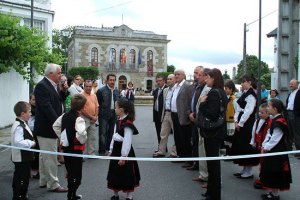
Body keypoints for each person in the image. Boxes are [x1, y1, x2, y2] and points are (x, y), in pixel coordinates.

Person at [34, 63, 68, 192]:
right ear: (51, 74)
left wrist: (64, 91)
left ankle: (43, 180)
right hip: (47, 128)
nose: (61, 75)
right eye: (59, 73)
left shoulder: (54, 85)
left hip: (50, 127)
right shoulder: (42, 86)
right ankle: (53, 184)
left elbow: (60, 100)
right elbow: (47, 107)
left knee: (44, 157)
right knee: (50, 157)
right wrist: (59, 123)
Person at [198, 68, 228, 200]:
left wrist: (202, 104)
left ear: (213, 78)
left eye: (208, 77)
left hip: (213, 132)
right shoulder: (221, 91)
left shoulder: (214, 93)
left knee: (213, 164)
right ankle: (211, 191)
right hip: (217, 131)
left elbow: (212, 113)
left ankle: (214, 194)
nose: (206, 80)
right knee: (212, 163)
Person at [53, 94, 88, 200]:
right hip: (75, 150)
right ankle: (71, 195)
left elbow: (55, 126)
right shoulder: (79, 119)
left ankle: (71, 194)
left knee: (70, 170)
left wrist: (63, 137)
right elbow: (82, 134)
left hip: (67, 148)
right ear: (82, 107)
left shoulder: (64, 115)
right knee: (76, 173)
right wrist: (80, 140)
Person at [107, 99, 140, 200]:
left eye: (116, 107)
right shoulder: (118, 120)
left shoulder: (128, 124)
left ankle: (129, 196)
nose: (115, 109)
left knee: (127, 173)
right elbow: (114, 135)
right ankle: (115, 194)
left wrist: (124, 156)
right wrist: (111, 149)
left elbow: (127, 140)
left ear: (121, 109)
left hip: (124, 151)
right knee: (115, 171)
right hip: (116, 149)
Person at [260, 99, 292, 200]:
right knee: (270, 171)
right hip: (272, 150)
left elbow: (275, 139)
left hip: (277, 151)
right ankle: (272, 192)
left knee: (275, 172)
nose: (268, 108)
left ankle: (275, 195)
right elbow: (270, 133)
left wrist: (266, 147)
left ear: (275, 109)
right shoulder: (275, 119)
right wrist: (264, 144)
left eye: (269, 107)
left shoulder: (280, 121)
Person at [231, 74, 260, 179]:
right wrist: (236, 121)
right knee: (241, 145)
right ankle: (244, 169)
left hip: (248, 123)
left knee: (247, 145)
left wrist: (240, 123)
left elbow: (248, 111)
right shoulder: (245, 93)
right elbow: (238, 109)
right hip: (241, 121)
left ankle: (249, 171)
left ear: (249, 82)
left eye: (243, 82)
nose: (242, 84)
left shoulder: (251, 95)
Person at [11, 101, 36, 200]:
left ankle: (21, 195)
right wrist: (31, 143)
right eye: (29, 112)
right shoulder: (19, 126)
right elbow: (18, 142)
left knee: (21, 178)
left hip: (23, 157)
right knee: (22, 179)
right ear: (22, 114)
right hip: (21, 158)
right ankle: (20, 196)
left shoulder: (21, 123)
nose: (31, 114)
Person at [170, 69, 193, 167]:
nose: (176, 76)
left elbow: (190, 100)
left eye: (178, 74)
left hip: (183, 115)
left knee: (185, 137)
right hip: (174, 114)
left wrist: (188, 113)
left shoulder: (187, 86)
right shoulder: (175, 86)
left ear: (183, 75)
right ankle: (180, 155)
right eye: (175, 74)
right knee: (177, 137)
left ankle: (187, 158)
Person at [153, 74, 177, 157]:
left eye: (170, 79)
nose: (168, 80)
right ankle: (161, 151)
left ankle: (174, 152)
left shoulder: (177, 89)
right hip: (166, 113)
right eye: (168, 79)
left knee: (175, 134)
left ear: (175, 80)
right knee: (163, 134)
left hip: (174, 113)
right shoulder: (166, 90)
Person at [249, 103, 272, 189]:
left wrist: (265, 146)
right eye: (259, 112)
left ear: (267, 113)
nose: (260, 114)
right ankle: (262, 178)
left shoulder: (270, 122)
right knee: (261, 163)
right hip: (259, 145)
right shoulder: (257, 121)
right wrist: (253, 142)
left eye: (262, 112)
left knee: (265, 163)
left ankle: (264, 180)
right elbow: (254, 131)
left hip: (265, 147)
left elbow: (269, 135)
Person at [96, 74, 120, 155]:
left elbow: (118, 103)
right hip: (103, 115)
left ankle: (108, 149)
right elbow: (97, 103)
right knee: (102, 133)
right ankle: (102, 150)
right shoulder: (101, 91)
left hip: (114, 114)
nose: (112, 82)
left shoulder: (117, 91)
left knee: (111, 132)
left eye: (113, 80)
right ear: (107, 81)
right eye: (111, 80)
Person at [81, 80, 99, 156]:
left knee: (92, 137)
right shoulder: (81, 95)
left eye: (90, 86)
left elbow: (97, 106)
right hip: (84, 118)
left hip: (93, 119)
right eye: (87, 86)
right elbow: (82, 109)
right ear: (84, 86)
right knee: (82, 137)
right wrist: (92, 117)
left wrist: (95, 116)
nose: (88, 88)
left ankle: (91, 153)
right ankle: (81, 154)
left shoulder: (94, 95)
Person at [152, 75, 167, 151]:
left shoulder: (167, 89)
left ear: (164, 81)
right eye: (157, 81)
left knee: (163, 132)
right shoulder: (156, 90)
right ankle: (161, 147)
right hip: (156, 114)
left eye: (160, 81)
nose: (158, 82)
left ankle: (163, 148)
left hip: (164, 114)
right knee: (158, 131)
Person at [285, 79, 300, 153]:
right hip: (289, 113)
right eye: (290, 84)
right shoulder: (290, 93)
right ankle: (289, 149)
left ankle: (298, 151)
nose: (290, 85)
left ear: (297, 85)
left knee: (297, 133)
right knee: (289, 132)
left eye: (292, 84)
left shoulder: (299, 93)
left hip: (296, 115)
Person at [223, 80, 237, 156]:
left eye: (226, 88)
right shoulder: (226, 97)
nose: (225, 90)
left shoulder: (234, 99)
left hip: (231, 121)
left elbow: (237, 109)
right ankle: (227, 153)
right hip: (226, 120)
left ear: (231, 89)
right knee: (227, 138)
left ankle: (231, 154)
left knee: (231, 138)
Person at [28, 94, 39, 179]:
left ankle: (37, 169)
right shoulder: (29, 109)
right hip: (31, 132)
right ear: (30, 100)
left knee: (38, 151)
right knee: (33, 152)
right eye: (33, 99)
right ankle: (33, 170)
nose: (35, 101)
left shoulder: (38, 108)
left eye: (36, 99)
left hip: (37, 132)